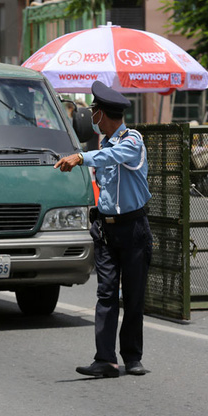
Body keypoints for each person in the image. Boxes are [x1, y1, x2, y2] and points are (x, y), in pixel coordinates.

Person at [54, 81, 152, 378]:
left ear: (103, 114)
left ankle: (132, 357)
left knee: (133, 296)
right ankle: (105, 360)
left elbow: (112, 158)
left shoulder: (131, 141)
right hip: (107, 231)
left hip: (133, 229)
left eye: (93, 111)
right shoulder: (103, 144)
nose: (91, 117)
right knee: (106, 294)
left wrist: (81, 158)